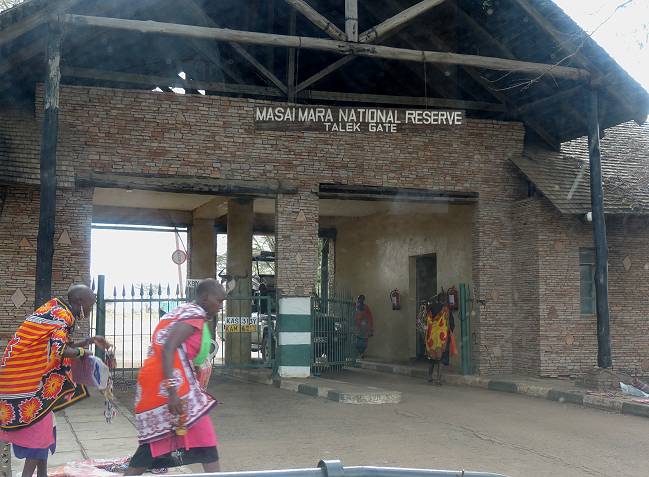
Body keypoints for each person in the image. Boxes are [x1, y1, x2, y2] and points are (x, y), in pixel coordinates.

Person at [0, 284, 112, 477]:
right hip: (26, 383)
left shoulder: (55, 308)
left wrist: (88, 341)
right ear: (80, 302)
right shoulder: (63, 316)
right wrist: (83, 353)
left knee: (46, 430)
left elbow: (55, 346)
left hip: (17, 378)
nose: (92, 308)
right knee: (39, 436)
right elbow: (59, 351)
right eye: (91, 304)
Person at [125, 278, 226, 475]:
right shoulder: (194, 316)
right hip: (165, 386)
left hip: (163, 381)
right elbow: (168, 348)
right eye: (219, 301)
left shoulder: (184, 312)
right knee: (153, 445)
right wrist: (172, 392)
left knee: (203, 440)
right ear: (205, 298)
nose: (221, 306)